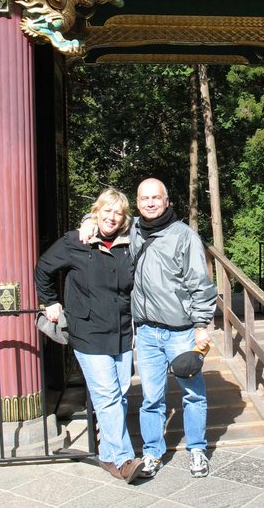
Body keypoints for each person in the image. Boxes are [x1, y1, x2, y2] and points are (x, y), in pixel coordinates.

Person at [80, 177, 217, 478]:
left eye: (156, 197)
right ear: (138, 203)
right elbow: (106, 218)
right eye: (144, 198)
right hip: (146, 332)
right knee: (152, 398)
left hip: (180, 330)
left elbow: (201, 284)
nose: (150, 203)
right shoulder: (133, 231)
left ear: (167, 201)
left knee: (193, 393)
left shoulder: (184, 236)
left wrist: (202, 324)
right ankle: (153, 452)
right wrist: (87, 222)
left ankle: (197, 449)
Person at [35, 187, 144, 483]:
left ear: (123, 219)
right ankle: (124, 459)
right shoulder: (76, 241)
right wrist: (51, 301)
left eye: (117, 213)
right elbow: (43, 268)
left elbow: (148, 224)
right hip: (88, 330)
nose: (111, 217)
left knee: (119, 395)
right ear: (96, 212)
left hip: (121, 331)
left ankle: (108, 455)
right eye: (106, 211)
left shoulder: (129, 243)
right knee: (107, 395)